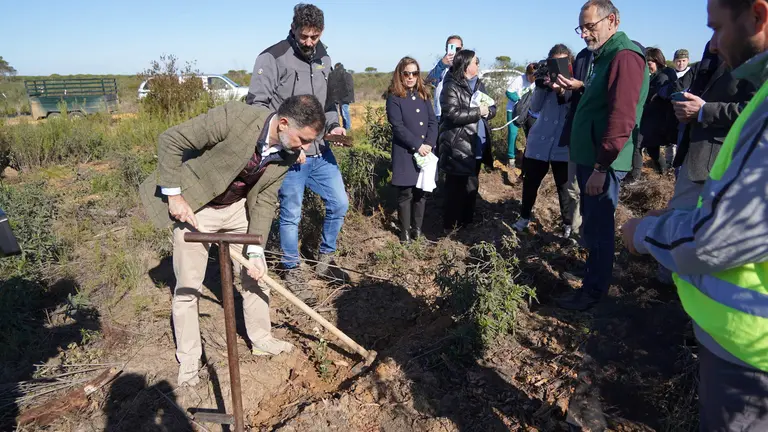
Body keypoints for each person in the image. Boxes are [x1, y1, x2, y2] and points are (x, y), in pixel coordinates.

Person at [622, 0, 768, 428]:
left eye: (719, 28)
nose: (715, 43)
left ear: (758, 15)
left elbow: (713, 240)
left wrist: (646, 231)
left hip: (748, 355)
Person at [138, 95, 327, 386]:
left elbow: (264, 199)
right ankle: (189, 359)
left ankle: (262, 339)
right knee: (189, 286)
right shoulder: (236, 117)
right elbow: (171, 139)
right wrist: (174, 195)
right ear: (284, 123)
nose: (304, 150)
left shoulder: (288, 154)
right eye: (302, 140)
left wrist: (255, 248)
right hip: (197, 207)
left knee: (256, 275)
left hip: (237, 209)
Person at [246, 3, 349, 303]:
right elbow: (257, 107)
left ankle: (325, 260)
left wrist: (334, 127)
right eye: (304, 36)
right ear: (293, 29)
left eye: (314, 37)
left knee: (340, 203)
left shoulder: (324, 57)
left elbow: (328, 104)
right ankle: (292, 268)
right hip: (288, 154)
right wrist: (288, 143)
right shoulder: (272, 57)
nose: (308, 43)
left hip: (320, 151)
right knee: (291, 213)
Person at [554, 0, 649, 311]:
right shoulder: (604, 57)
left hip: (602, 163)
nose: (584, 34)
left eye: (590, 26)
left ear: (613, 21)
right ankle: (592, 278)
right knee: (593, 226)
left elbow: (622, 118)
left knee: (599, 227)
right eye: (581, 27)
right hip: (592, 158)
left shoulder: (624, 57)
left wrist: (600, 166)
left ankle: (593, 295)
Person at [667, 42, 756, 210]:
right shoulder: (712, 54)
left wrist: (703, 111)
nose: (713, 44)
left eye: (718, 28)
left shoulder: (757, 61)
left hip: (721, 166)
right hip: (693, 156)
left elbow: (756, 110)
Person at [512, 44, 578, 238]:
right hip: (539, 141)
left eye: (563, 62)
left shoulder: (575, 83)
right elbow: (535, 108)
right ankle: (524, 217)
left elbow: (570, 104)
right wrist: (541, 86)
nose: (558, 66)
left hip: (562, 143)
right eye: (554, 62)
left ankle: (568, 224)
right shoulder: (544, 81)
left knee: (564, 187)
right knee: (530, 182)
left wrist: (560, 90)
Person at [438, 50, 496, 230]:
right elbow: (452, 114)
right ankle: (450, 227)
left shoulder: (479, 84)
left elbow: (492, 107)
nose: (478, 65)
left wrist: (489, 111)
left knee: (472, 184)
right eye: (476, 62)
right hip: (457, 145)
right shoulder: (451, 86)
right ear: (465, 66)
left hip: (476, 144)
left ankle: (467, 224)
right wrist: (479, 112)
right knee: (454, 188)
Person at [385, 57, 438, 243]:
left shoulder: (423, 95)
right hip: (406, 152)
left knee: (421, 193)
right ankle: (405, 233)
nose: (410, 77)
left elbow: (433, 121)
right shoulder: (394, 97)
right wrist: (417, 145)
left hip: (425, 152)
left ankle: (418, 230)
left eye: (414, 73)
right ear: (400, 74)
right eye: (406, 73)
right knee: (405, 193)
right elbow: (397, 126)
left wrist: (429, 143)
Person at [630, 47, 679, 180]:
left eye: (649, 63)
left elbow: (656, 98)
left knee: (637, 144)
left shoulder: (663, 77)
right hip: (651, 118)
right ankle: (663, 173)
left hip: (657, 120)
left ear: (657, 61)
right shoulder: (655, 76)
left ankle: (635, 177)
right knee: (652, 149)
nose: (647, 66)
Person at [505, 64, 537, 168]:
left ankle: (529, 157)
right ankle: (511, 157)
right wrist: (519, 100)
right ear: (528, 74)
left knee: (530, 133)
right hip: (514, 110)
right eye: (532, 77)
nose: (533, 80)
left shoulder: (536, 82)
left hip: (528, 111)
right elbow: (509, 92)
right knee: (513, 133)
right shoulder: (519, 80)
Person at [426, 35, 463, 122]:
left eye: (458, 49)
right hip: (440, 116)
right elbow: (429, 82)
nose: (455, 53)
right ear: (446, 49)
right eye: (452, 48)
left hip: (461, 116)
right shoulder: (440, 67)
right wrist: (441, 65)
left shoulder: (467, 67)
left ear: (462, 49)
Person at [328, 63, 355, 131]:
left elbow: (349, 87)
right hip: (339, 98)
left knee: (344, 113)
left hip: (344, 98)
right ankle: (342, 128)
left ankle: (347, 129)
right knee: (338, 114)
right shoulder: (341, 75)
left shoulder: (346, 75)